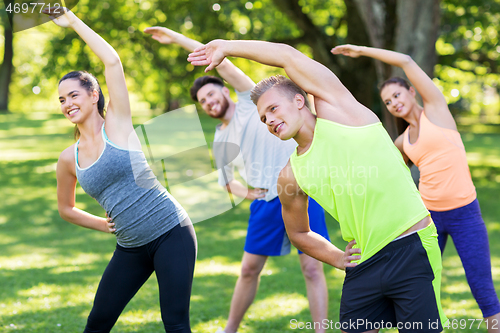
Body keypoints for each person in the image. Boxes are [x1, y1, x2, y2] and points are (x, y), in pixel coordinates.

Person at [188, 40, 448, 333]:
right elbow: (298, 232)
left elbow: (287, 56)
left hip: (411, 248)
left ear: (299, 100)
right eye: (264, 118)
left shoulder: (342, 113)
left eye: (273, 108)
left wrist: (227, 46)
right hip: (363, 263)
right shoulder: (289, 175)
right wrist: (337, 257)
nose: (270, 120)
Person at [144, 27, 330, 333]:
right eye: (202, 101)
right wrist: (250, 194)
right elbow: (227, 182)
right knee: (248, 270)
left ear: (224, 90)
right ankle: (230, 329)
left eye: (211, 94)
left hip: (301, 190)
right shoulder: (219, 139)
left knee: (312, 267)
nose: (208, 102)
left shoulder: (248, 101)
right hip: (267, 203)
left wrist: (177, 39)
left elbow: (222, 59)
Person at [45, 8, 197, 333]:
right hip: (130, 246)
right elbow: (66, 209)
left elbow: (112, 61)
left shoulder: (117, 123)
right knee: (98, 323)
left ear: (93, 94)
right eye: (61, 99)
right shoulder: (67, 159)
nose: (67, 103)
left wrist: (71, 20)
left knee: (175, 323)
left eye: (73, 94)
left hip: (171, 232)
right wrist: (102, 225)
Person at [331, 44, 500, 332]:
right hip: (427, 219)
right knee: (421, 285)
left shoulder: (437, 112)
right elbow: (382, 178)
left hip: (464, 214)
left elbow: (407, 60)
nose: (393, 102)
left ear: (411, 91)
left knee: (482, 287)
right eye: (387, 101)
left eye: (396, 94)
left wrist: (361, 50)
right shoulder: (402, 142)